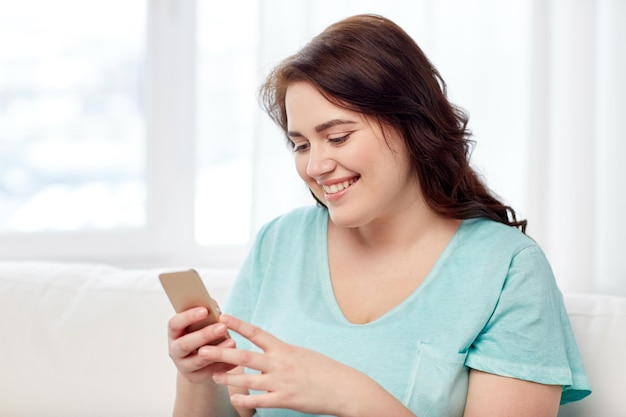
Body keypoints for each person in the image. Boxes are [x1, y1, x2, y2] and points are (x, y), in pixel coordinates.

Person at [167, 14, 591, 417]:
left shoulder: (507, 268)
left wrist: (352, 395)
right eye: (301, 145)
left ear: (411, 124)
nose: (315, 166)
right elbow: (236, 407)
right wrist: (199, 377)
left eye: (337, 137)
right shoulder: (280, 242)